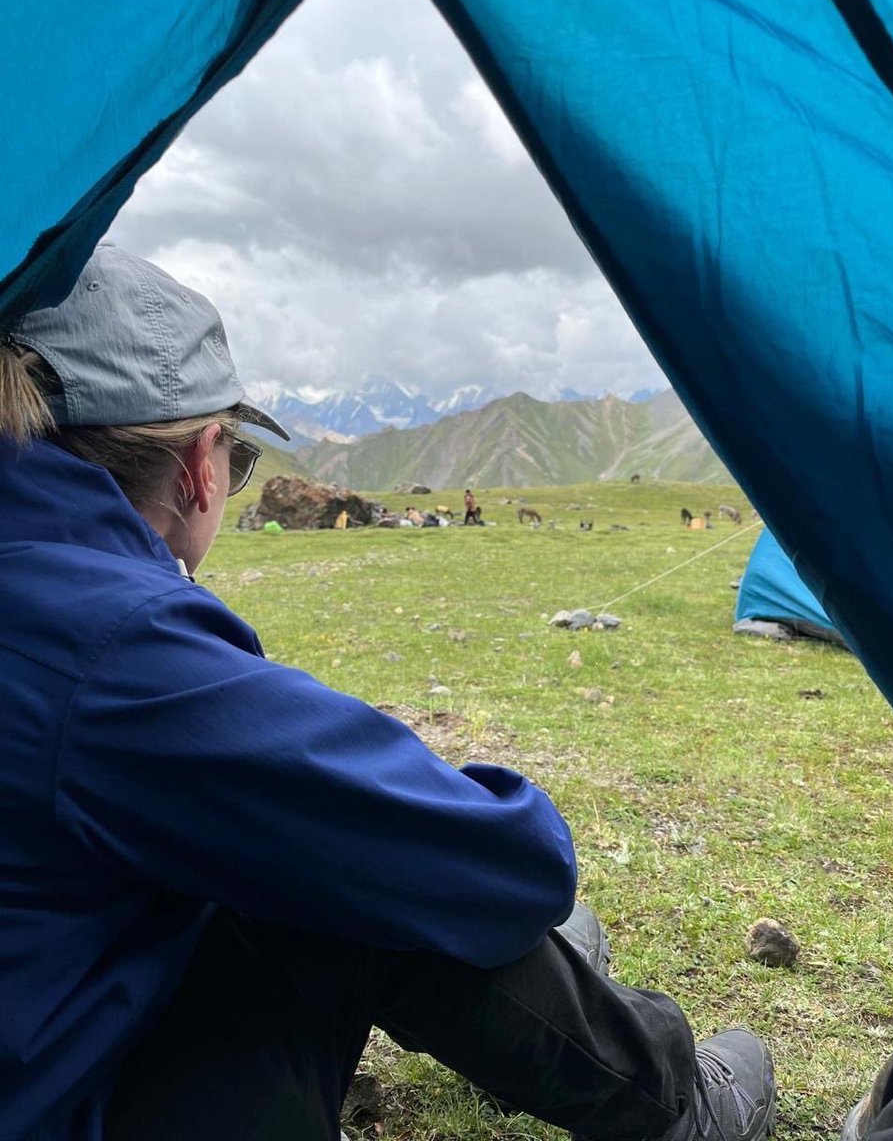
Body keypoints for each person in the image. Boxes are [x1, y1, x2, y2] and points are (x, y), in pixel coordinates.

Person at [0, 244, 775, 1141]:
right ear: (196, 467)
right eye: (238, 458)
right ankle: (676, 1106)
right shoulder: (101, 641)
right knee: (354, 859)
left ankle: (557, 1022)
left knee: (324, 841)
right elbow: (511, 861)